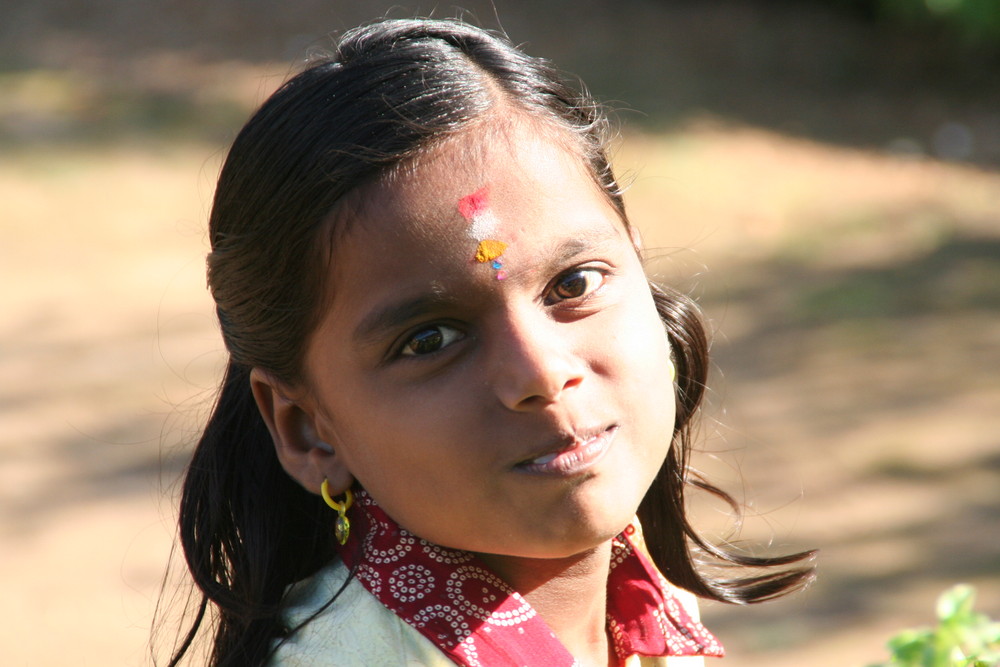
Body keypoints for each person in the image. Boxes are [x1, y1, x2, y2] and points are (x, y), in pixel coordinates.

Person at [163, 17, 814, 667]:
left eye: (574, 283)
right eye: (429, 340)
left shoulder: (647, 612)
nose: (540, 372)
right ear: (309, 428)